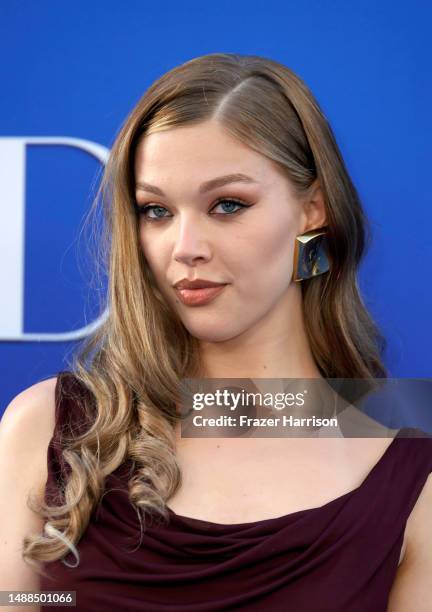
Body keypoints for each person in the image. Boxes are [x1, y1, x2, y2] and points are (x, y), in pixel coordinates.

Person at [1, 52, 431, 611]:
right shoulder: (52, 428)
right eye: (156, 211)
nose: (185, 249)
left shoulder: (411, 459)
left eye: (228, 205)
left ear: (312, 211)